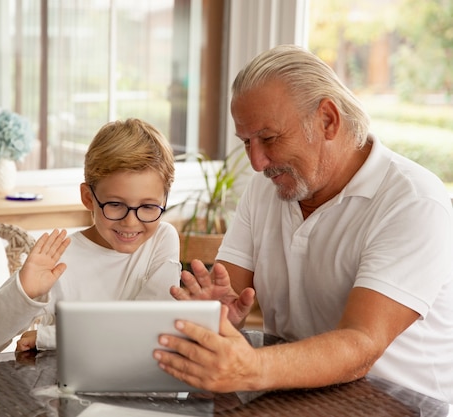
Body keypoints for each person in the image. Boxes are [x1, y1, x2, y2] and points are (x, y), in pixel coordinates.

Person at [153, 44, 453, 405]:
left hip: (402, 408)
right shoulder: (265, 190)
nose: (257, 163)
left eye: (269, 138)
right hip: (297, 401)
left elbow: (361, 343)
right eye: (246, 142)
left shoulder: (413, 201)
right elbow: (228, 294)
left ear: (327, 119)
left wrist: (251, 366)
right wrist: (217, 317)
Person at [0, 118, 182, 355]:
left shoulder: (161, 239)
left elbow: (148, 329)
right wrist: (23, 292)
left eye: (148, 207)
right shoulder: (59, 260)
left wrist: (51, 337)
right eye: (115, 204)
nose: (131, 222)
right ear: (88, 198)